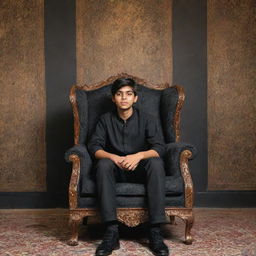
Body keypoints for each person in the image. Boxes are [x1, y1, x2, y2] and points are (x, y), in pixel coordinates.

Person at [88, 77, 169, 256]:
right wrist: (113, 157)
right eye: (119, 94)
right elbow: (94, 147)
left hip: (140, 170)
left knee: (155, 163)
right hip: (115, 170)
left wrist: (139, 156)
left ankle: (155, 231)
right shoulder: (105, 120)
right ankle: (111, 232)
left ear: (135, 98)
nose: (124, 98)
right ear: (113, 98)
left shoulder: (147, 119)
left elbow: (160, 147)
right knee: (102, 164)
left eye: (128, 94)